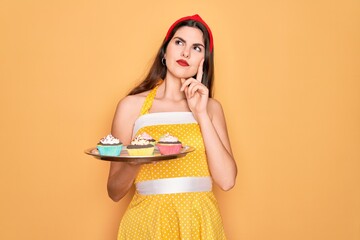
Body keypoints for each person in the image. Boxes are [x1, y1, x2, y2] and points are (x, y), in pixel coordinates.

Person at [107, 14, 237, 239]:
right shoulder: (131, 107)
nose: (186, 52)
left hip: (199, 222)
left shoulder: (212, 109)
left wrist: (201, 114)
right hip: (147, 223)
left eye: (196, 48)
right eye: (179, 43)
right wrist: (137, 160)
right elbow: (114, 192)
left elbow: (226, 181)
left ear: (203, 61)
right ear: (164, 53)